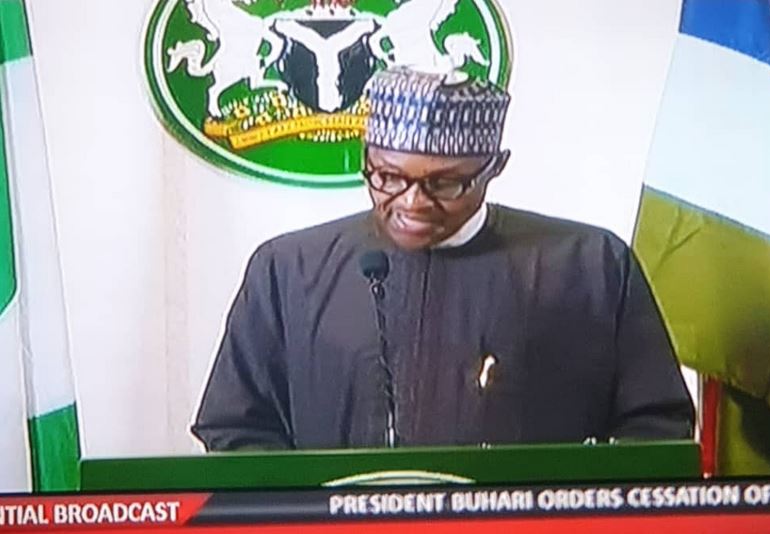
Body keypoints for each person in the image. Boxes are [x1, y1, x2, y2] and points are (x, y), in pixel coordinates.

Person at [192, 67, 694, 451]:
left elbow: (655, 425)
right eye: (387, 176)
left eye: (445, 183)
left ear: (494, 167)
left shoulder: (590, 266)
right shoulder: (288, 270)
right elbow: (236, 426)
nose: (412, 203)